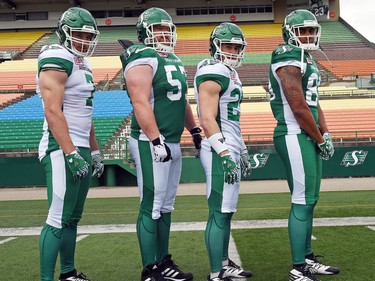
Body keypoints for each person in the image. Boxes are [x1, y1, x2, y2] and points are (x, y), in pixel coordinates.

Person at [119, 7, 201, 281]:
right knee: (151, 205)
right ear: (145, 33)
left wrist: (195, 130)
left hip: (173, 140)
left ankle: (163, 261)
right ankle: (149, 268)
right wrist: (155, 139)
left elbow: (181, 101)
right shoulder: (143, 56)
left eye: (167, 29)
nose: (164, 33)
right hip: (150, 140)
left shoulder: (173, 59)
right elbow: (140, 101)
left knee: (166, 206)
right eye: (158, 29)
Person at [268, 9, 339, 281]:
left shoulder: (304, 57)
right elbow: (297, 104)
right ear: (290, 33)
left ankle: (307, 258)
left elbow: (312, 101)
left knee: (311, 200)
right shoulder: (286, 53)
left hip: (306, 133)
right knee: (301, 200)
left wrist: (326, 132)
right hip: (293, 132)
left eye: (311, 30)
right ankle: (298, 268)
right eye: (302, 31)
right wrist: (319, 138)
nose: (308, 35)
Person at [37, 7, 104, 281]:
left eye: (88, 36)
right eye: (78, 34)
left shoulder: (82, 63)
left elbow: (84, 114)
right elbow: (53, 111)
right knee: (57, 217)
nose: (83, 40)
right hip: (60, 146)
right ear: (64, 33)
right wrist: (70, 152)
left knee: (72, 217)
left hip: (80, 146)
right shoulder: (56, 56)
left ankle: (68, 273)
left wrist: (95, 150)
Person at [194, 22, 252, 281]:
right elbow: (207, 119)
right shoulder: (213, 70)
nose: (232, 51)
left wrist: (242, 148)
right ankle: (216, 273)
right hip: (219, 147)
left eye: (237, 47)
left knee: (227, 211)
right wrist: (225, 152)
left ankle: (224, 263)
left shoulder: (231, 73)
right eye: (228, 45)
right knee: (218, 210)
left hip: (230, 143)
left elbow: (231, 119)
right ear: (215, 46)